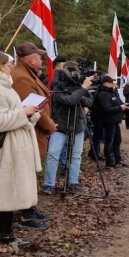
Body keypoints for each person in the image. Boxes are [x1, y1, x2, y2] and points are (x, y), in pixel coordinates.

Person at [0, 51, 49, 244]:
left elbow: (12, 116)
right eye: (9, 64)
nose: (12, 67)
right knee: (4, 191)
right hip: (5, 148)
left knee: (9, 189)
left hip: (12, 146)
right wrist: (23, 112)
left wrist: (31, 114)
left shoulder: (4, 86)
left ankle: (7, 233)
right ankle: (5, 235)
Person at [42, 63, 94, 195]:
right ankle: (49, 185)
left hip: (78, 126)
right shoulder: (58, 89)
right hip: (60, 127)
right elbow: (70, 100)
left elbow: (89, 102)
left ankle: (73, 182)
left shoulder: (79, 87)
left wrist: (79, 93)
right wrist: (82, 89)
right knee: (53, 155)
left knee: (76, 156)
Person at [11, 42, 57, 157]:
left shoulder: (26, 74)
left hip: (32, 132)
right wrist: (50, 126)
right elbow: (35, 108)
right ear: (32, 60)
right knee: (26, 171)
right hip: (29, 134)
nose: (42, 61)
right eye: (40, 58)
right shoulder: (22, 77)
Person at [91, 75, 129, 167]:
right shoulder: (102, 94)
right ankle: (109, 161)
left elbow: (118, 102)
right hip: (108, 121)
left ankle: (118, 159)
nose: (113, 84)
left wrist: (125, 105)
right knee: (109, 141)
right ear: (105, 84)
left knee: (117, 140)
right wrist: (120, 108)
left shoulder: (113, 92)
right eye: (110, 83)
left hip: (115, 120)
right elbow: (107, 108)